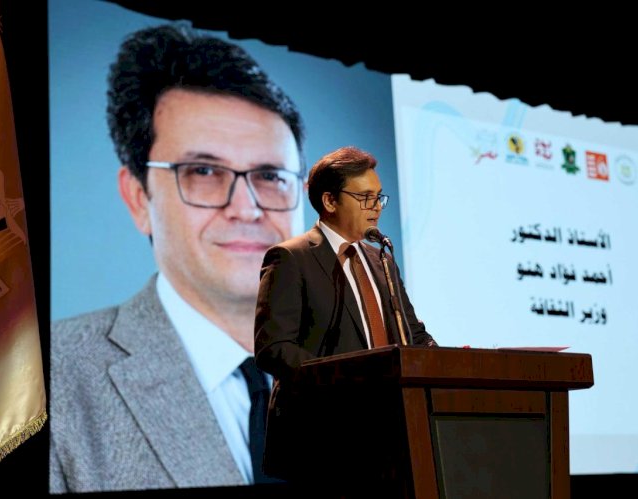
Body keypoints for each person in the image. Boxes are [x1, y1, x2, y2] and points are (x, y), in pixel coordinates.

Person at [49, 23, 305, 492]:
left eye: (270, 176)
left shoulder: (369, 372)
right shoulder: (50, 381)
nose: (247, 208)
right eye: (203, 171)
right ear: (138, 198)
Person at [253, 146, 437, 481]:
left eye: (379, 197)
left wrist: (444, 363)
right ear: (330, 201)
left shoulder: (382, 260)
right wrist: (346, 380)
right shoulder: (291, 258)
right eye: (365, 197)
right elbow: (274, 348)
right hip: (324, 436)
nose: (376, 207)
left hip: (391, 432)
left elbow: (413, 335)